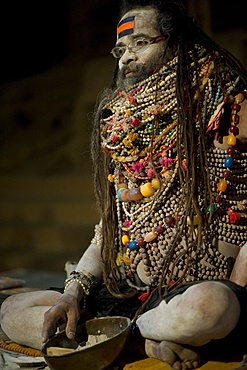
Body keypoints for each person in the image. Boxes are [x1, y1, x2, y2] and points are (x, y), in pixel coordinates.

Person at [1, 0, 247, 369]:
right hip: (130, 292)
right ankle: (143, 342)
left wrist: (242, 299)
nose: (125, 58)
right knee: (12, 310)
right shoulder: (124, 129)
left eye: (141, 43)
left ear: (178, 44)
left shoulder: (230, 108)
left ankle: (115, 336)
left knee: (211, 308)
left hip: (194, 294)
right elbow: (109, 231)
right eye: (120, 49)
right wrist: (73, 293)